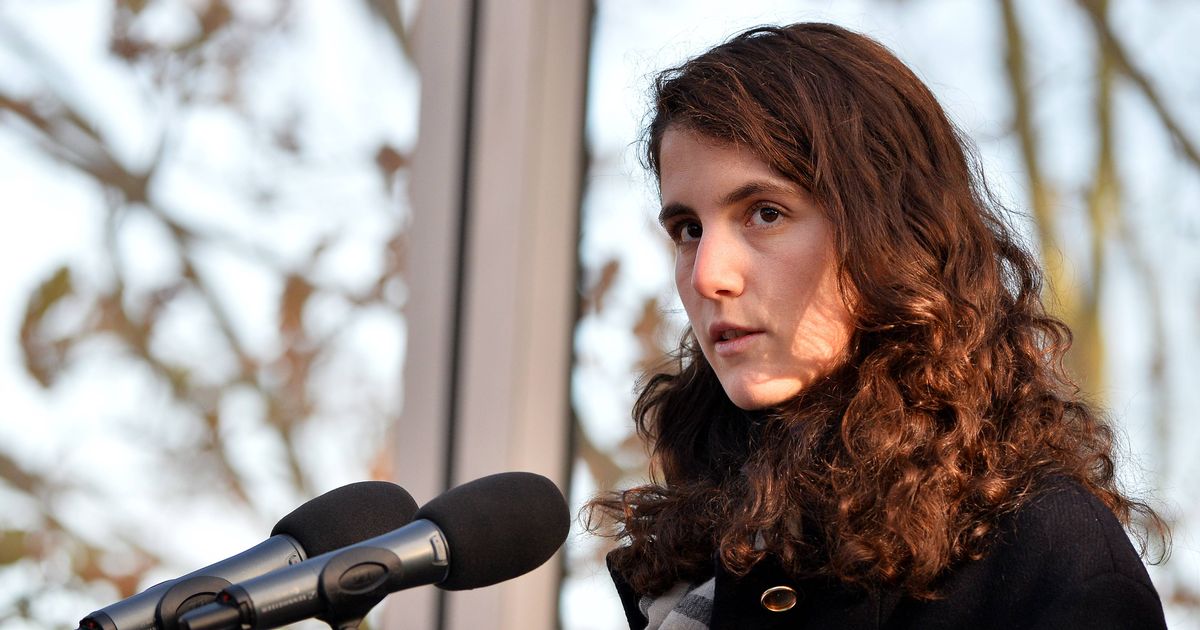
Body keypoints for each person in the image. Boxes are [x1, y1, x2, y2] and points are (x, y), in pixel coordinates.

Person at [588, 22, 1168, 629]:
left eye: (765, 213)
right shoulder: (699, 551)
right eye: (689, 229)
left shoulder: (1048, 557)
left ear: (891, 233)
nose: (709, 275)